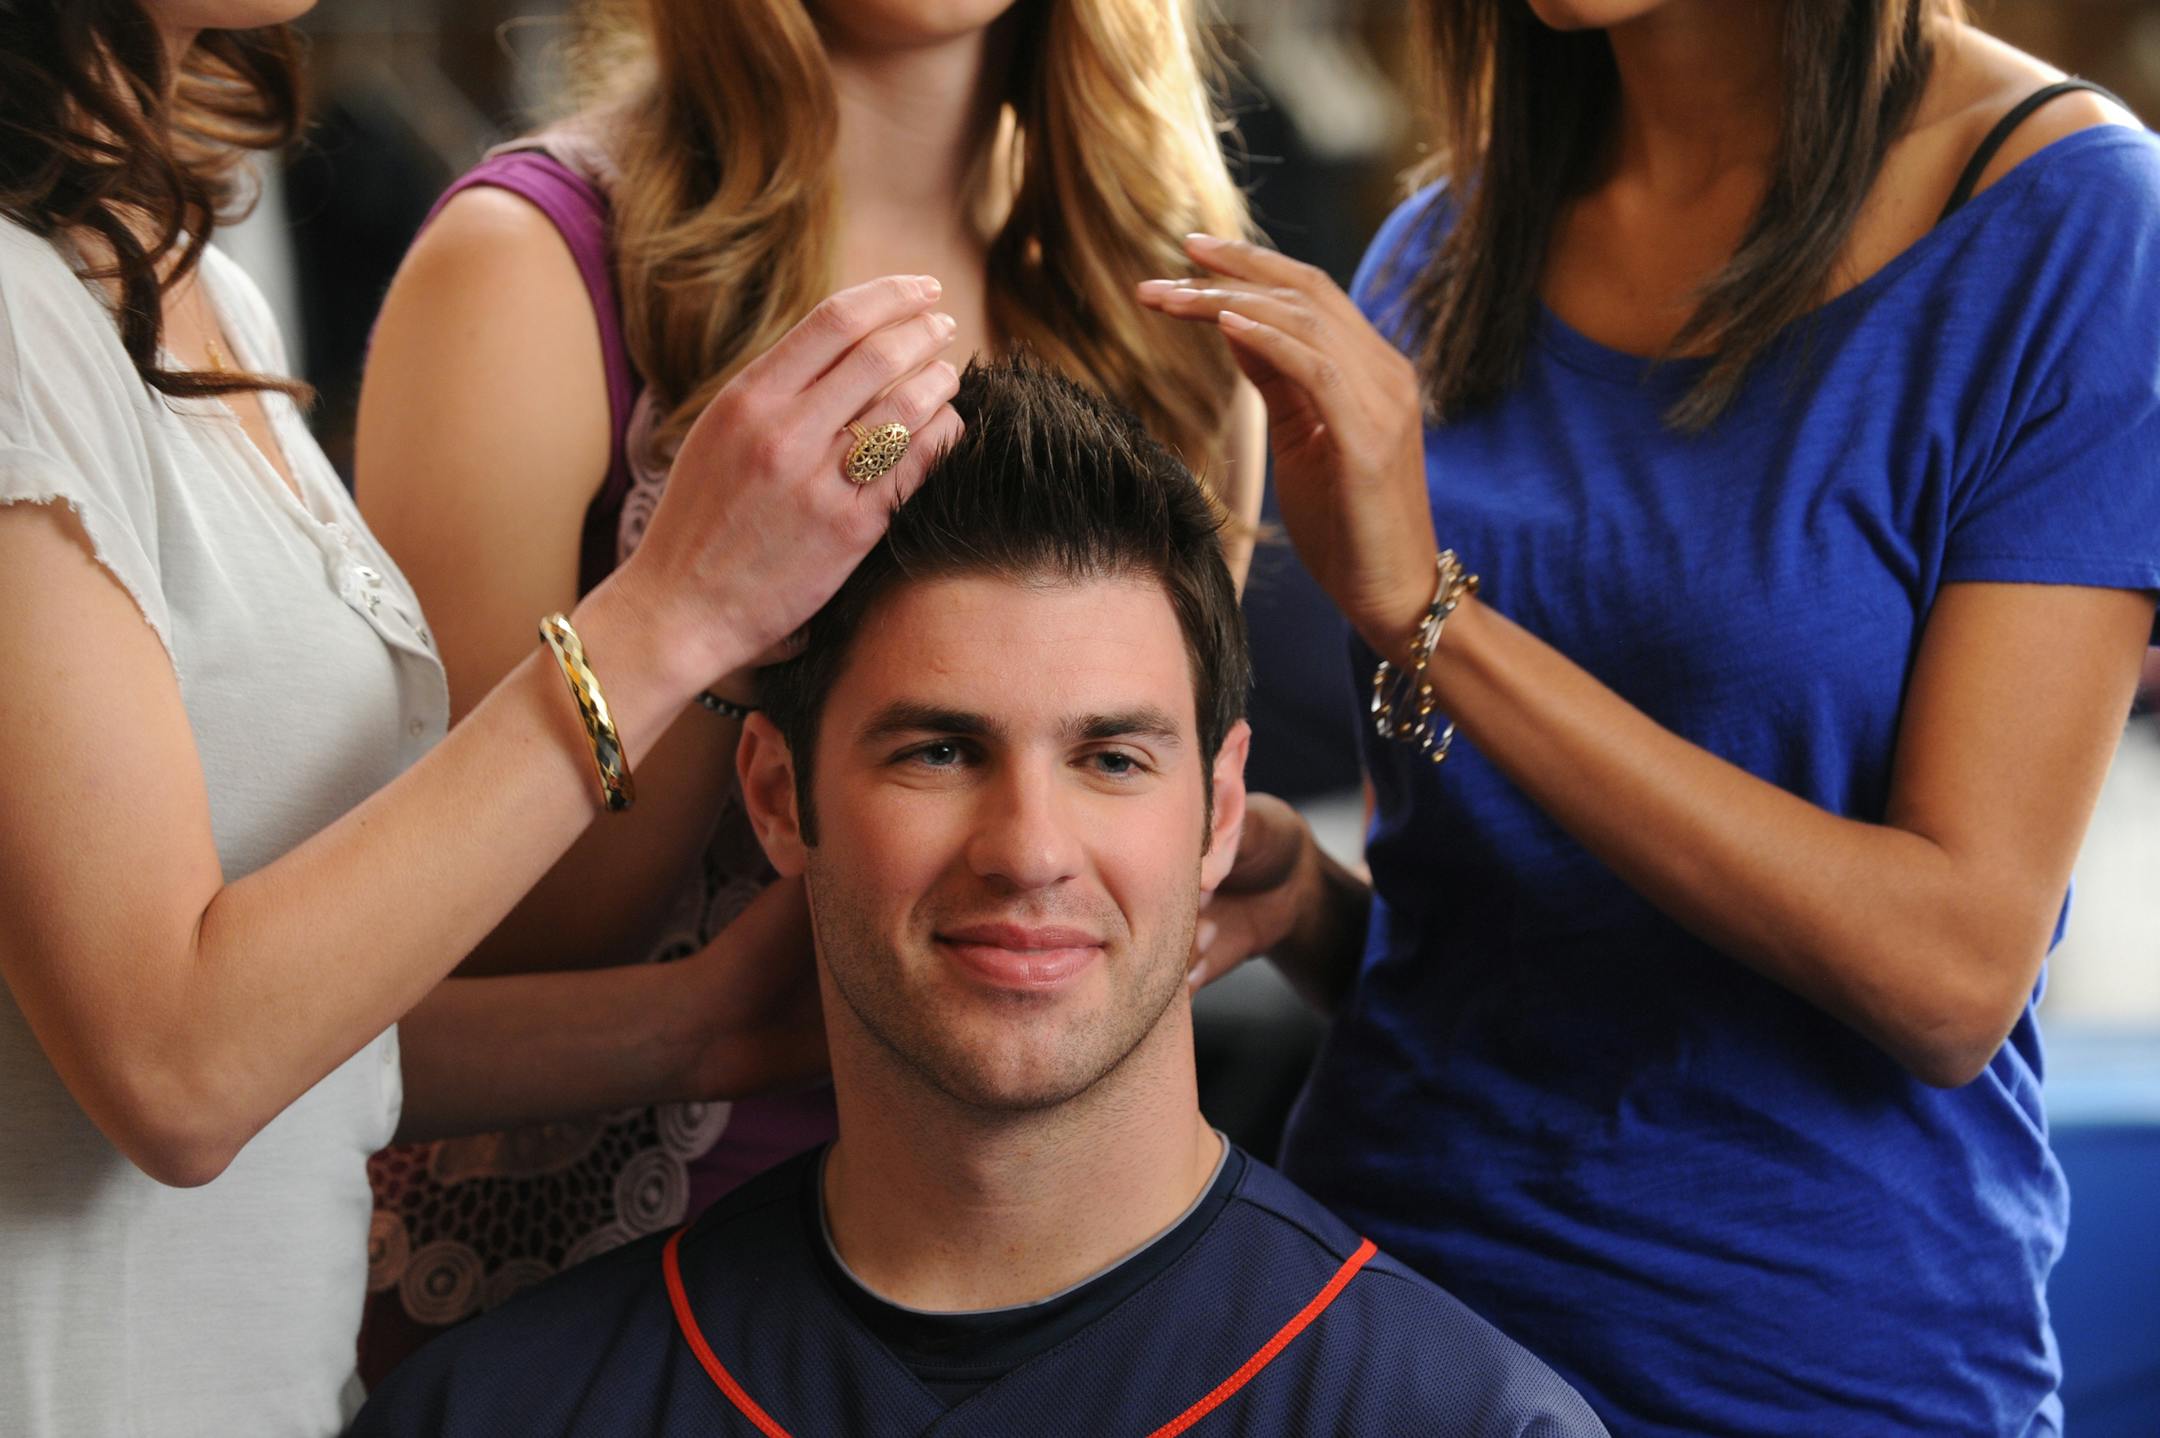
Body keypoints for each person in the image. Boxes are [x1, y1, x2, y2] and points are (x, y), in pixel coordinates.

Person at [1141, 1, 2160, 1433]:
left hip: (1797, 1372)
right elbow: (1539, 967)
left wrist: (1437, 617)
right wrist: (1311, 902)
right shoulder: (1436, 254)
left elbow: (1951, 971)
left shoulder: (2068, 219)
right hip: (1388, 1334)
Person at [0, 3, 963, 1433]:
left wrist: (695, 1025)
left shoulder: (184, 283)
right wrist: (678, 611)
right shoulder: (15, 314)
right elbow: (175, 1064)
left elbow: (290, 1031)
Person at [348, 360, 1608, 1438]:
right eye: (939, 751)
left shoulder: (1459, 1418)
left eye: (1112, 758)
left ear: (1222, 812)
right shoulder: (505, 1411)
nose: (1029, 849)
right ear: (780, 798)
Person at [351, 0, 1266, 1370]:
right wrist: (723, 615)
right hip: (607, 1322)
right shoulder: (527, 270)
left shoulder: (1180, 316)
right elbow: (436, 953)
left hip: (1053, 1307)